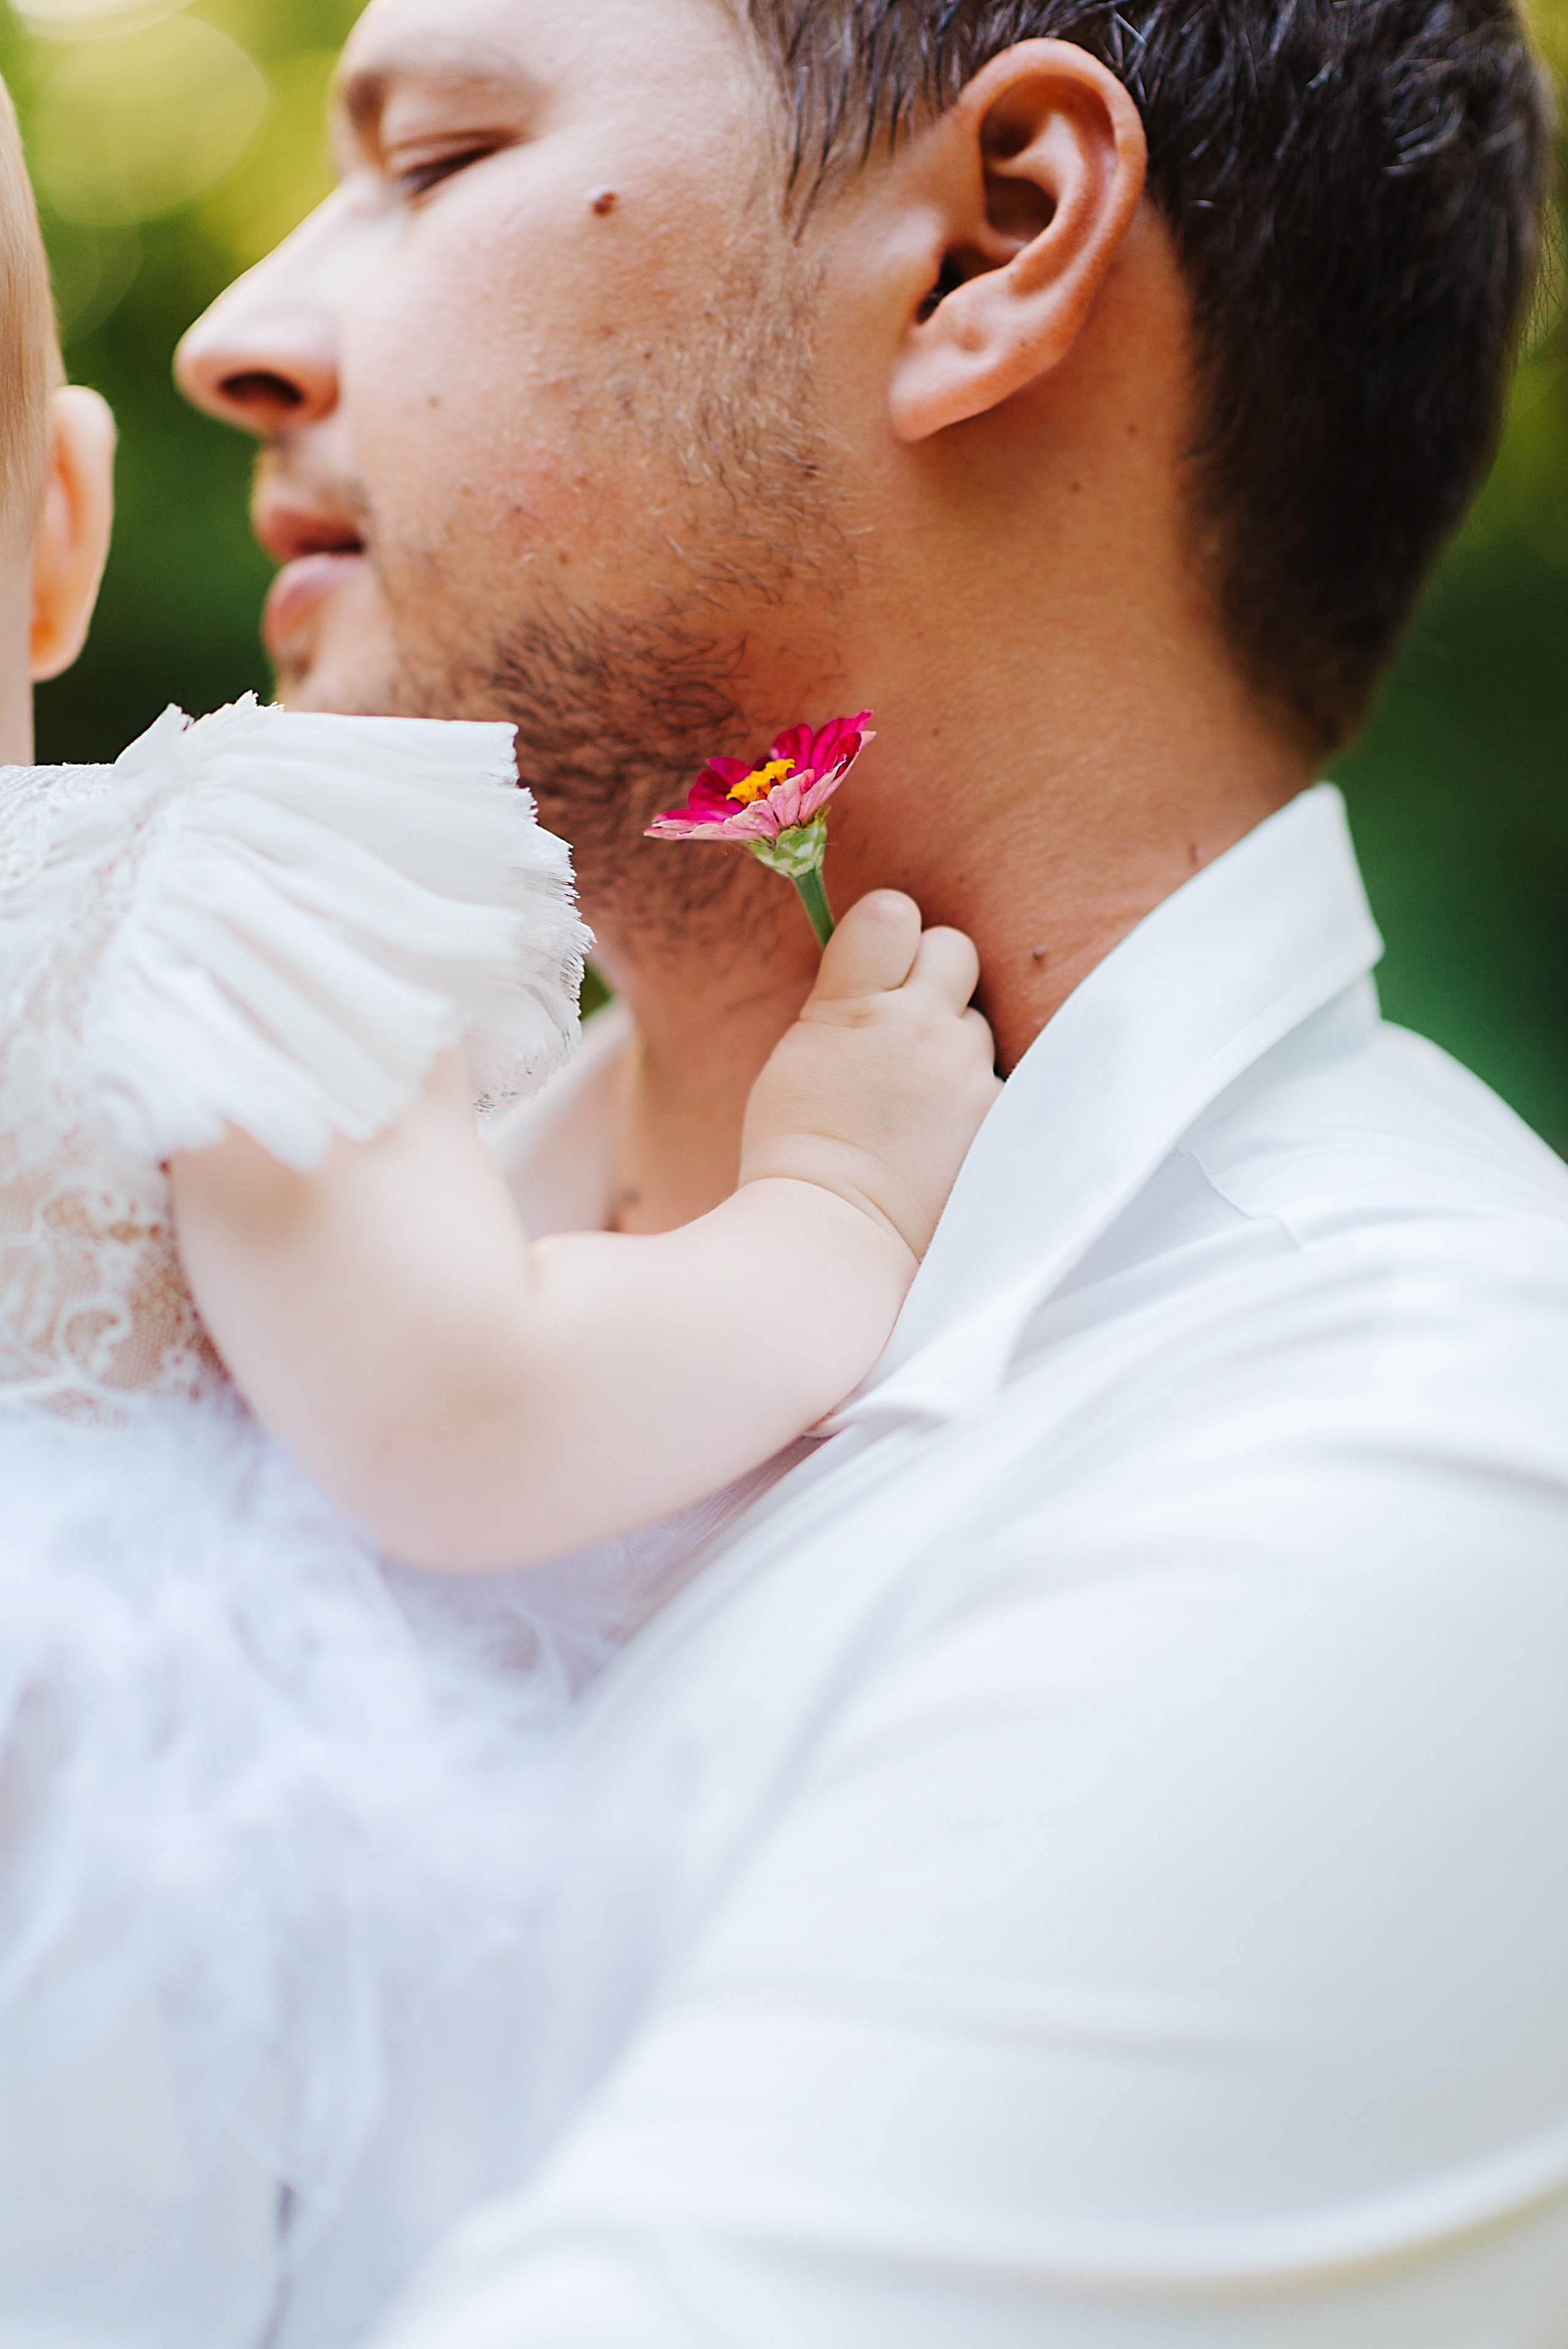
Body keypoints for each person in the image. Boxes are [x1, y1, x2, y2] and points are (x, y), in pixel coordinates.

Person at [174, 0, 1568, 2342]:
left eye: (436, 158)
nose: (235, 336)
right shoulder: (246, 1236)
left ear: (991, 247)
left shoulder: (1435, 1494)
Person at [0, 71, 999, 2349]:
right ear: (65, 524)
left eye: (443, 165)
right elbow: (458, 1413)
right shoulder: (166, 897)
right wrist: (833, 1206)